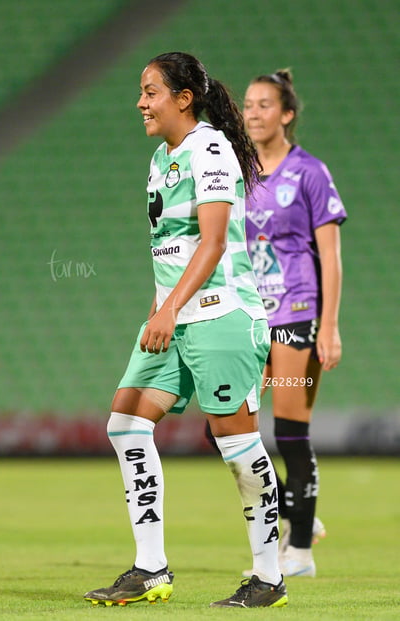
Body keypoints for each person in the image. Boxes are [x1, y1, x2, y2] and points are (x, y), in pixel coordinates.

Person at [83, 52, 288, 609]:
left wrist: (169, 309)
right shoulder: (159, 159)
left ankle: (269, 576)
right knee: (125, 423)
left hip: (221, 314)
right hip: (173, 316)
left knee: (236, 445)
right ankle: (151, 568)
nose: (140, 102)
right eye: (140, 92)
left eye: (150, 92)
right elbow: (169, 250)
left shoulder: (211, 149)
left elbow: (214, 243)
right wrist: (160, 309)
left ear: (183, 98)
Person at [240, 69, 347, 578]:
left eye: (265, 105)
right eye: (248, 105)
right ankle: (295, 509)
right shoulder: (239, 173)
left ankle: (299, 551)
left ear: (286, 115)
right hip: (250, 316)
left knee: (289, 433)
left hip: (296, 314)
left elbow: (330, 256)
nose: (254, 113)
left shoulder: (309, 172)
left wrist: (329, 327)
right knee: (226, 428)